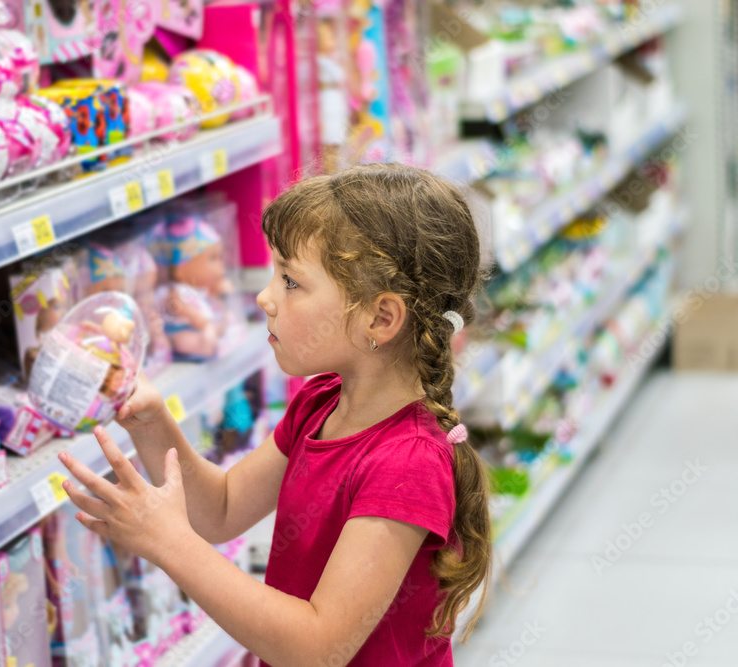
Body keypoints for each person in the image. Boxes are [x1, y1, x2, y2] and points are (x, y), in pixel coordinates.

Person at [58, 163, 492, 666]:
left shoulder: (406, 463)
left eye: (290, 281)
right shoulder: (321, 402)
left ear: (380, 317)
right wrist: (152, 422)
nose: (265, 296)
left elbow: (317, 646)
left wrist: (167, 543)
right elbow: (220, 510)